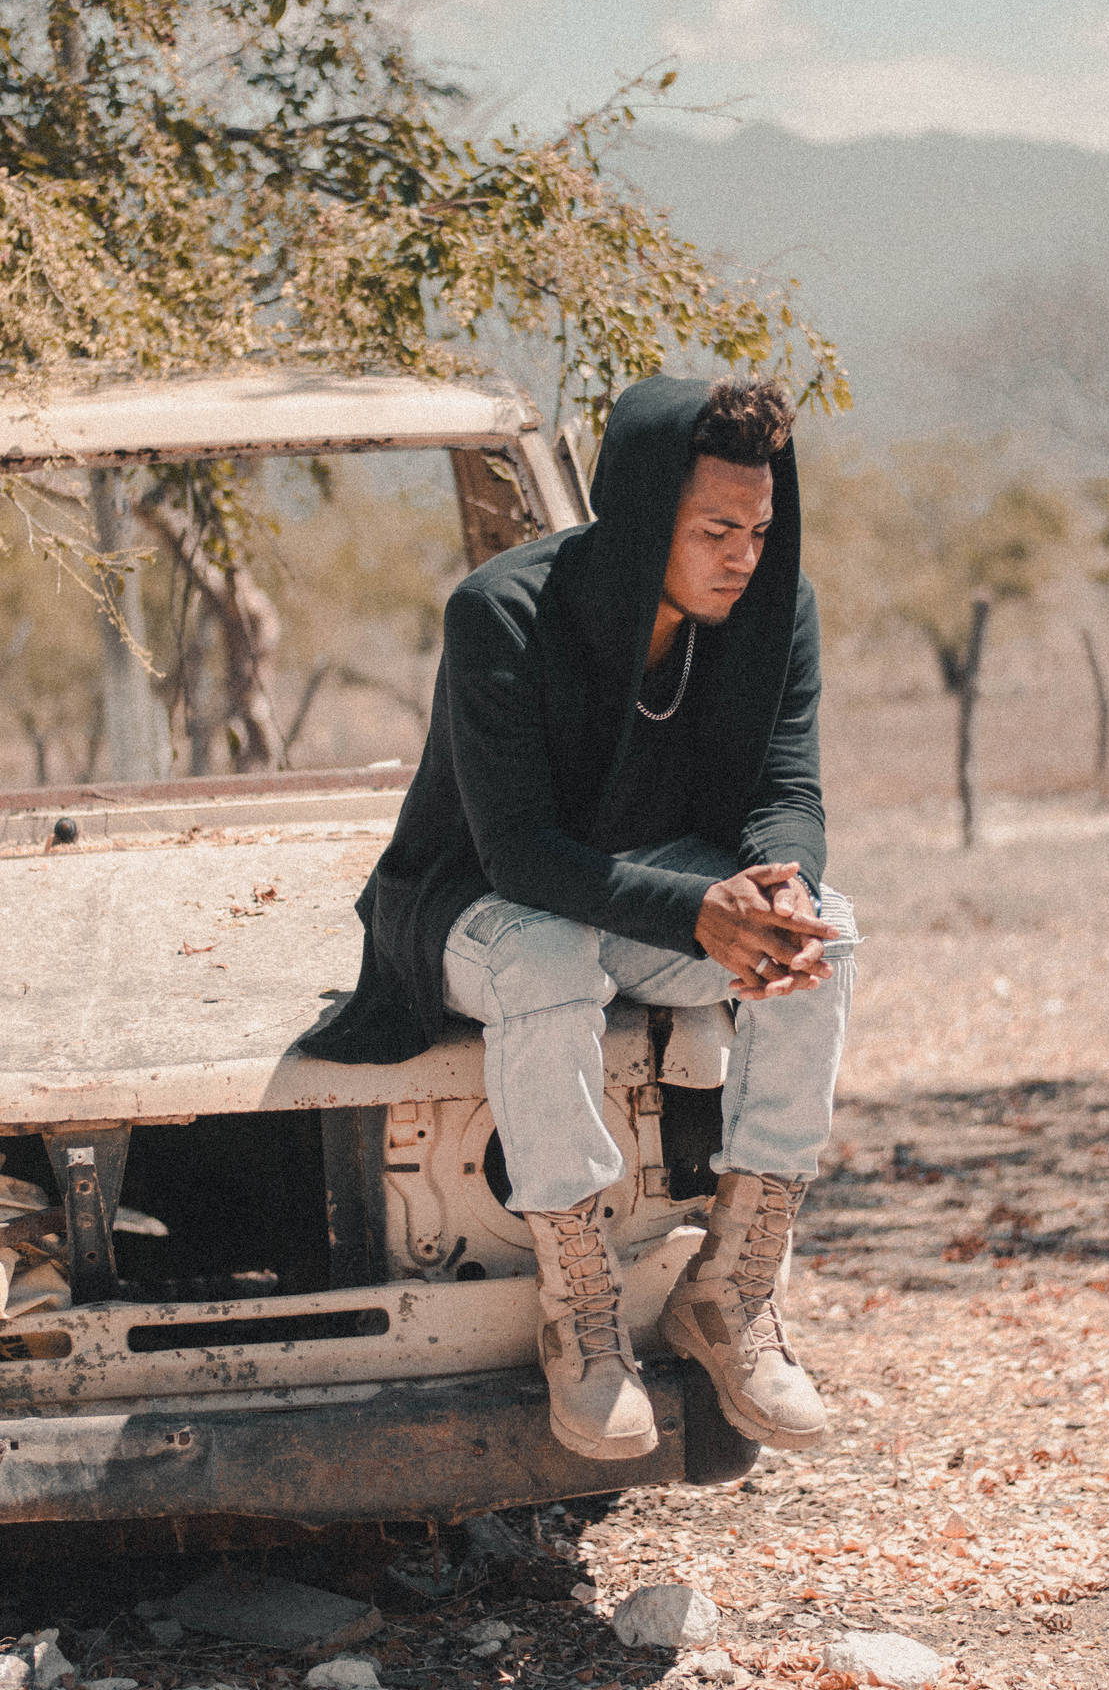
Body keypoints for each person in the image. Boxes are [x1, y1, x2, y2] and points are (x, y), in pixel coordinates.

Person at [309, 374, 857, 1463]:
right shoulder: (501, 611)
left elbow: (784, 789)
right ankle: (583, 1312)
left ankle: (733, 1287)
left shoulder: (772, 607)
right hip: (471, 901)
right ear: (647, 513)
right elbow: (516, 853)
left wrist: (778, 889)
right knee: (549, 952)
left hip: (651, 899)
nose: (741, 555)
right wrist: (697, 910)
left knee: (825, 934)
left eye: (757, 528)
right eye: (713, 530)